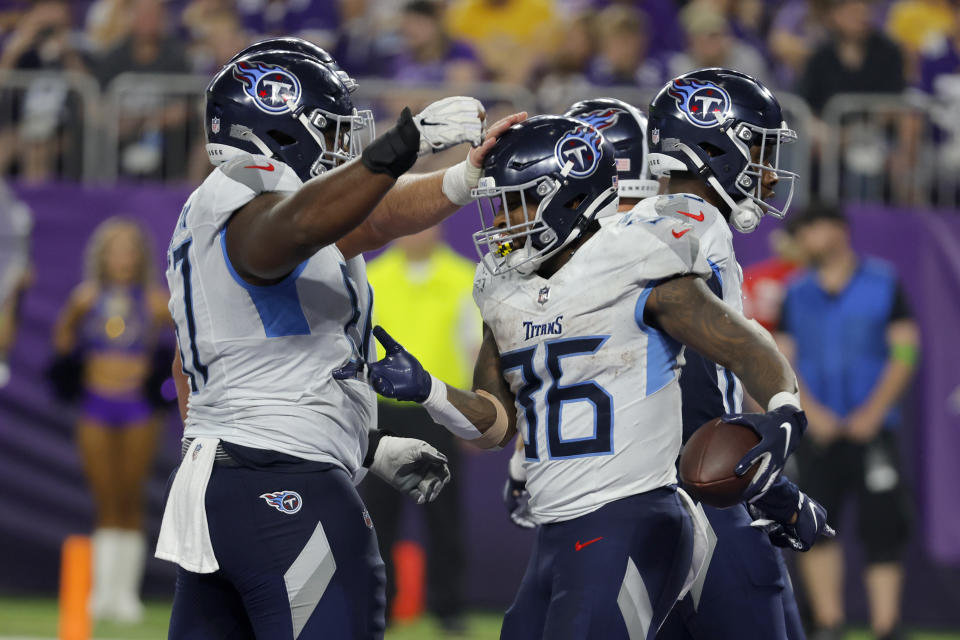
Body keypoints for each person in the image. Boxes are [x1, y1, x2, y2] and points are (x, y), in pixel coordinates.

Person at [355, 112, 812, 639]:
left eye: (515, 200)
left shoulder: (634, 256)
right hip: (559, 529)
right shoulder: (502, 288)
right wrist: (431, 391)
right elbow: (498, 424)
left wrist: (784, 412)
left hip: (633, 515)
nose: (500, 221)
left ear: (567, 196)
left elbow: (741, 343)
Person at [156, 38, 524, 639]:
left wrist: (460, 177)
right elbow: (296, 225)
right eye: (328, 131)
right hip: (283, 485)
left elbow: (369, 218)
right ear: (278, 131)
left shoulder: (221, 212)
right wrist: (404, 145)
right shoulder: (248, 206)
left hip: (225, 481)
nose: (339, 148)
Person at [638, 69, 834, 640]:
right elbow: (694, 400)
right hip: (695, 506)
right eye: (756, 146)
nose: (768, 171)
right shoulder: (694, 231)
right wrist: (769, 485)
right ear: (711, 145)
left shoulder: (637, 228)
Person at [778, 204, 917, 640]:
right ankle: (829, 625)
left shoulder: (883, 282)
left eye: (809, 230)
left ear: (836, 230)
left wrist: (873, 411)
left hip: (873, 429)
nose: (803, 241)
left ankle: (886, 627)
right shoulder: (796, 291)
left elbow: (906, 350)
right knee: (815, 528)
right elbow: (782, 357)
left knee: (884, 528)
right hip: (817, 433)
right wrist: (812, 412)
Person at [51, 217, 172, 623]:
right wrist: (83, 363)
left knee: (130, 495)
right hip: (96, 405)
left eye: (130, 249)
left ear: (140, 257)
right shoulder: (86, 298)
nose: (123, 257)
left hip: (137, 407)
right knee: (104, 496)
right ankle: (102, 592)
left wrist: (153, 370)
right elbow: (63, 340)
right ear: (102, 257)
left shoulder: (154, 301)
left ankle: (125, 595)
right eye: (115, 249)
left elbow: (184, 335)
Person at [363, 225, 480, 633]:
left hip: (439, 411)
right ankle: (382, 607)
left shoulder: (465, 276)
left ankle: (448, 609)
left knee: (444, 518)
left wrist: (470, 418)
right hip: (383, 413)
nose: (414, 232)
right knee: (377, 518)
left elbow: (475, 347)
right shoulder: (371, 277)